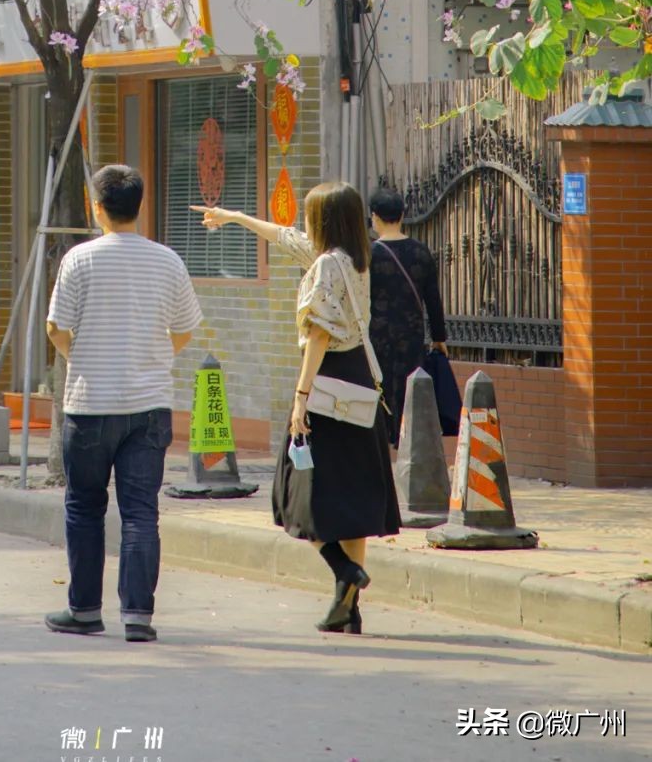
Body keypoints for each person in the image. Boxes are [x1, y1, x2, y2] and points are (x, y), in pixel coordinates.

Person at [195, 184, 399, 635]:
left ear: (322, 220)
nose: (302, 224)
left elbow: (320, 336)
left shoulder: (326, 264)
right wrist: (234, 217)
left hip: (326, 383)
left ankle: (342, 571)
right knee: (353, 497)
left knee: (294, 489)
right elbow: (282, 236)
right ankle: (347, 606)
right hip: (359, 384)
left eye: (309, 216)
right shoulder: (351, 258)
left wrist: (300, 398)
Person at [44, 163, 203, 643]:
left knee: (84, 508)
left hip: (90, 403)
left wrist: (83, 357)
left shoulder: (79, 259)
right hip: (148, 406)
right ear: (140, 206)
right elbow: (186, 327)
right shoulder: (167, 261)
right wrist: (152, 358)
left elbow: (55, 327)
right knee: (140, 512)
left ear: (97, 208)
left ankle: (85, 610)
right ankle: (138, 616)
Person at [368, 185, 448, 446]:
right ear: (402, 215)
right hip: (411, 334)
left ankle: (383, 438)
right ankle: (407, 438)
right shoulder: (420, 251)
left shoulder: (368, 255)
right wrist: (439, 337)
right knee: (409, 386)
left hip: (376, 335)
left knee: (379, 386)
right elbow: (433, 299)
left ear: (374, 217)